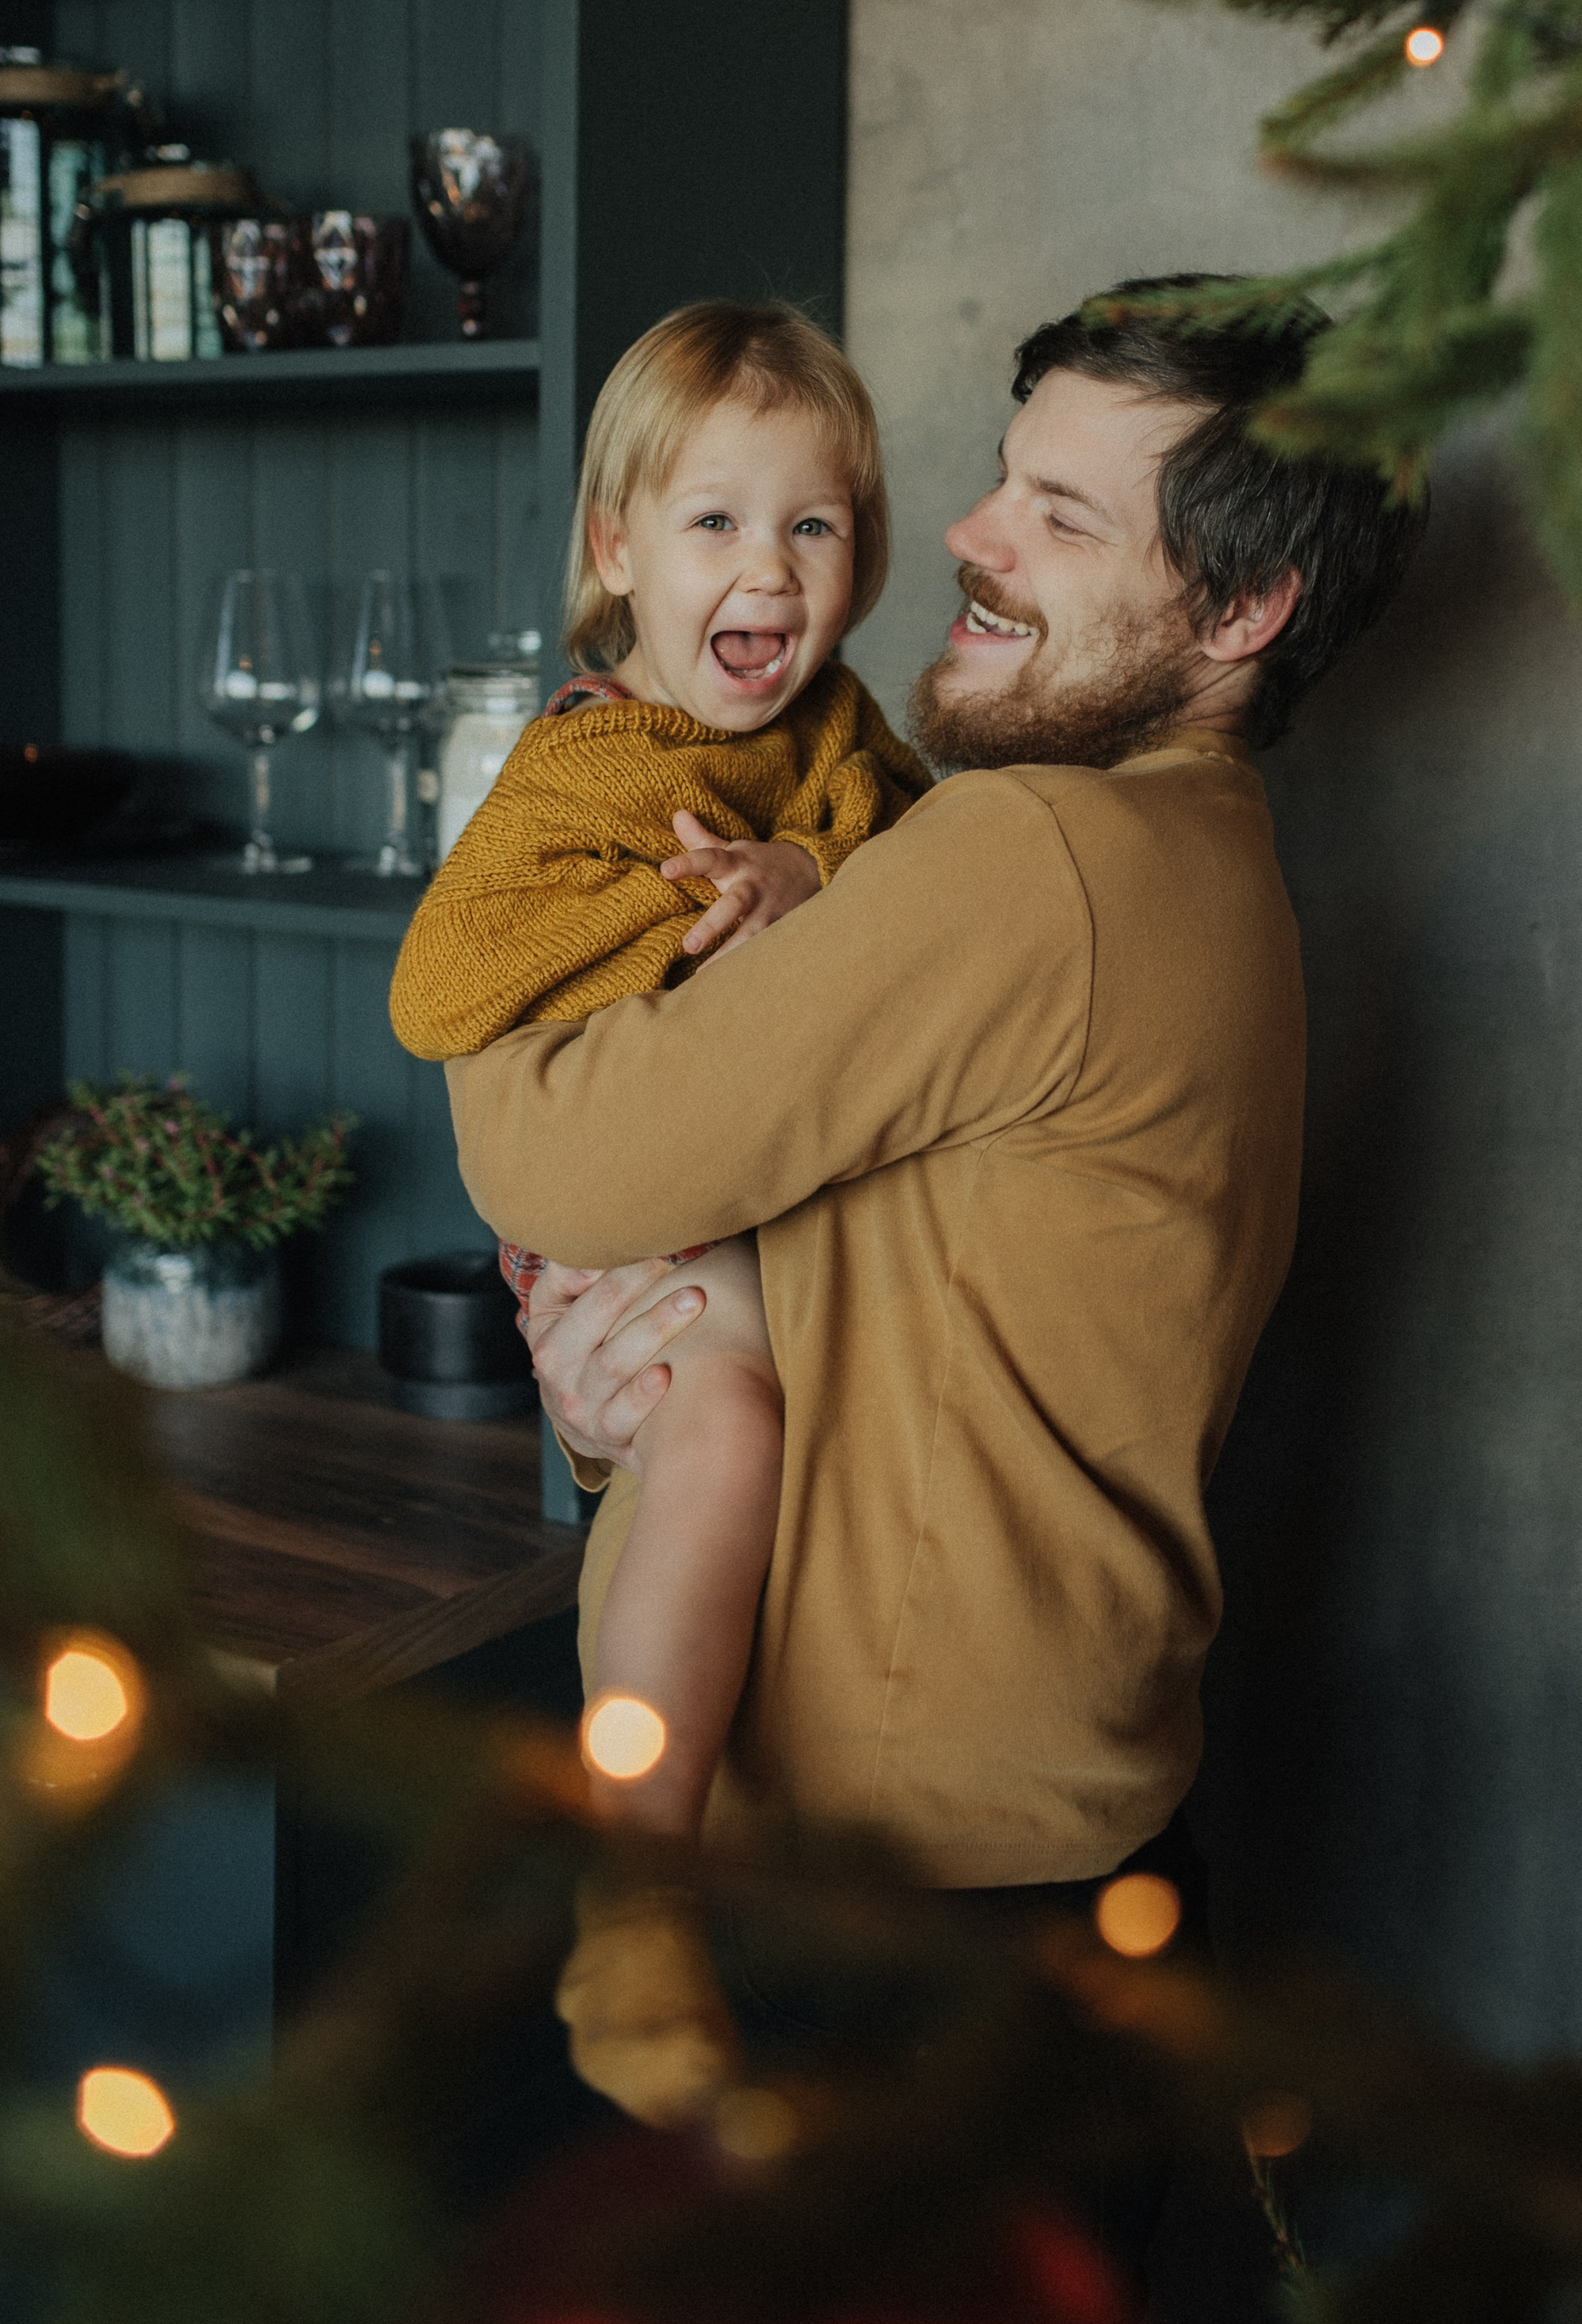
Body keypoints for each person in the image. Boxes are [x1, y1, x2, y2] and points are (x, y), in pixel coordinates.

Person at [451, 282, 1425, 1912]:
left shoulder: (1034, 854)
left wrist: (513, 894)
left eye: (1058, 515)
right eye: (998, 475)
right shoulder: (1205, 856)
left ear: (1243, 605)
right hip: (1047, 1826)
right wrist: (628, 1396)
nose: (969, 535)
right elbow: (897, 1312)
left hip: (885, 1888)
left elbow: (554, 1154)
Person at [390, 301, 926, 1837]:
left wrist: (810, 883)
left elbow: (922, 873)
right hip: (628, 1225)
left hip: (774, 1171)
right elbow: (446, 979)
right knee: (726, 1423)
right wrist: (690, 910)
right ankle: (641, 1842)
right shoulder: (587, 755)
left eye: (811, 524)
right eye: (716, 522)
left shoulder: (836, 725)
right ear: (618, 549)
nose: (768, 568)